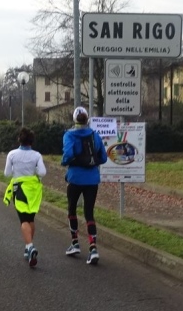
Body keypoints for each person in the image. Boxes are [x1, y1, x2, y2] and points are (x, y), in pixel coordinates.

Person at [61, 106, 108, 265]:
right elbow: (103, 157)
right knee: (89, 213)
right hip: (92, 179)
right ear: (87, 119)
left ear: (74, 119)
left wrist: (65, 162)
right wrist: (91, 162)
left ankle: (75, 243)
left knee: (72, 209)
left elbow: (68, 155)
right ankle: (93, 248)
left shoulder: (69, 135)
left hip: (75, 178)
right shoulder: (95, 135)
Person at [3, 128, 46, 268]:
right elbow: (42, 172)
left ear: (19, 140)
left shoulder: (12, 154)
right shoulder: (37, 155)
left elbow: (7, 173)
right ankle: (28, 247)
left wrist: (17, 170)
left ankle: (30, 246)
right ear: (32, 141)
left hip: (20, 189)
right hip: (33, 190)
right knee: (31, 219)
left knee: (23, 220)